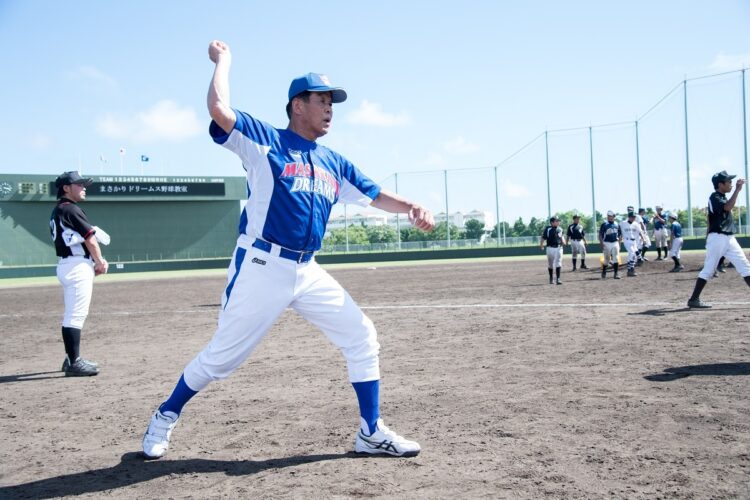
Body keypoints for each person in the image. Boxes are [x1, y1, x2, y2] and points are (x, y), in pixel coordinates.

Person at [141, 40, 435, 459]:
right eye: (322, 100)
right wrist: (224, 61)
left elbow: (374, 194)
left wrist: (411, 207)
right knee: (221, 359)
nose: (330, 108)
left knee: (361, 337)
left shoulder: (334, 161)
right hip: (262, 264)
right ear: (297, 105)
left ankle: (371, 431)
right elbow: (219, 108)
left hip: (308, 270)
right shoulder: (263, 140)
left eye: (332, 101)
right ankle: (166, 414)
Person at [50, 171, 110, 376]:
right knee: (75, 315)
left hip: (69, 265)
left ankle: (70, 359)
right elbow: (90, 238)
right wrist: (99, 261)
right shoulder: (71, 209)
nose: (84, 187)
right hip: (77, 266)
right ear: (66, 188)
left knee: (73, 314)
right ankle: (74, 362)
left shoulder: (59, 210)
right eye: (79, 184)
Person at [687, 170, 750, 308]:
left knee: (745, 266)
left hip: (728, 238)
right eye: (728, 182)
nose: (731, 184)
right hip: (718, 237)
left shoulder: (721, 197)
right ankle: (693, 299)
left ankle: (694, 299)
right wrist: (738, 190)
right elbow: (727, 207)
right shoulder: (715, 197)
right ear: (720, 184)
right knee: (709, 269)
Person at [619, 211, 645, 277]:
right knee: (632, 253)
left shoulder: (636, 224)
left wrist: (643, 238)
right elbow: (618, 230)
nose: (633, 218)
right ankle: (631, 269)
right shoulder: (623, 223)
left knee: (633, 255)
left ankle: (630, 269)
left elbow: (640, 231)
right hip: (627, 240)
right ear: (629, 217)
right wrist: (619, 240)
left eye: (634, 217)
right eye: (632, 217)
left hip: (634, 241)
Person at [598, 210, 622, 279]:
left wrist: (619, 244)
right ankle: (604, 271)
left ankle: (616, 273)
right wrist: (601, 243)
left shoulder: (617, 224)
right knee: (607, 259)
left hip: (615, 242)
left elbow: (620, 235)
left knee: (616, 258)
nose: (609, 217)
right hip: (606, 243)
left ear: (614, 217)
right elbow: (600, 235)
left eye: (611, 216)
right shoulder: (604, 224)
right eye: (608, 216)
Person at [540, 216, 564, 284]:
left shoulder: (560, 229)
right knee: (550, 264)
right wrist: (541, 245)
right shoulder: (548, 229)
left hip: (559, 248)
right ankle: (551, 278)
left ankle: (558, 279)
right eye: (556, 221)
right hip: (550, 248)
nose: (558, 222)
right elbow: (543, 238)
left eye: (558, 221)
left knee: (558, 262)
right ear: (552, 222)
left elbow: (562, 238)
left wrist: (563, 242)